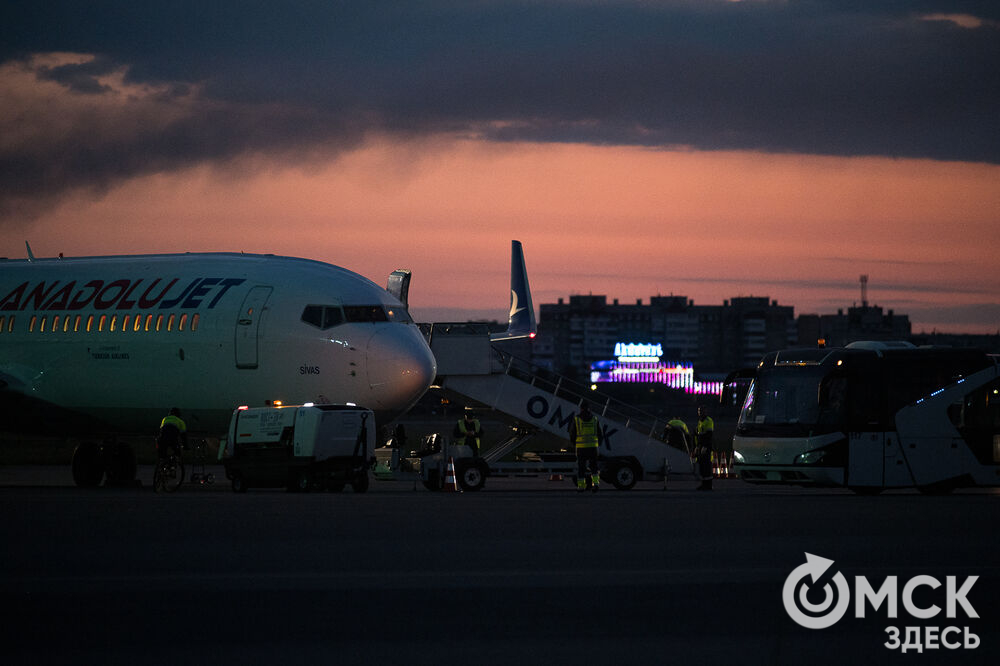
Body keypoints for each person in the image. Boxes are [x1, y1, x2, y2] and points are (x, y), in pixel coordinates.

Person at [568, 401, 602, 493]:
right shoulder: (595, 419)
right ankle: (596, 485)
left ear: (581, 408)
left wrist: (574, 443)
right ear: (589, 408)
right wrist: (599, 443)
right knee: (594, 467)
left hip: (581, 448)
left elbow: (572, 434)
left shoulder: (576, 419)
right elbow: (600, 433)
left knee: (581, 468)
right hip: (593, 448)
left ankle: (581, 487)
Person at [695, 405, 714, 490]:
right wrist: (697, 446)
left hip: (706, 446)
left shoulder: (708, 421)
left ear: (705, 412)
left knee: (706, 466)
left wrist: (705, 446)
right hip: (701, 446)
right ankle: (704, 484)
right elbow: (699, 435)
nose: (700, 413)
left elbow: (709, 435)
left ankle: (708, 485)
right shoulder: (700, 421)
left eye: (701, 411)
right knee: (702, 466)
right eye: (699, 411)